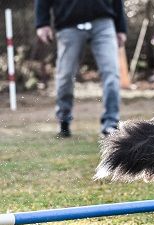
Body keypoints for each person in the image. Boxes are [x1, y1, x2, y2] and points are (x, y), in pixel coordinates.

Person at [35, 0, 128, 138]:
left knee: (111, 73)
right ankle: (64, 121)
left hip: (103, 22)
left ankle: (111, 125)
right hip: (68, 24)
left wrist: (121, 28)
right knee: (65, 76)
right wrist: (42, 23)